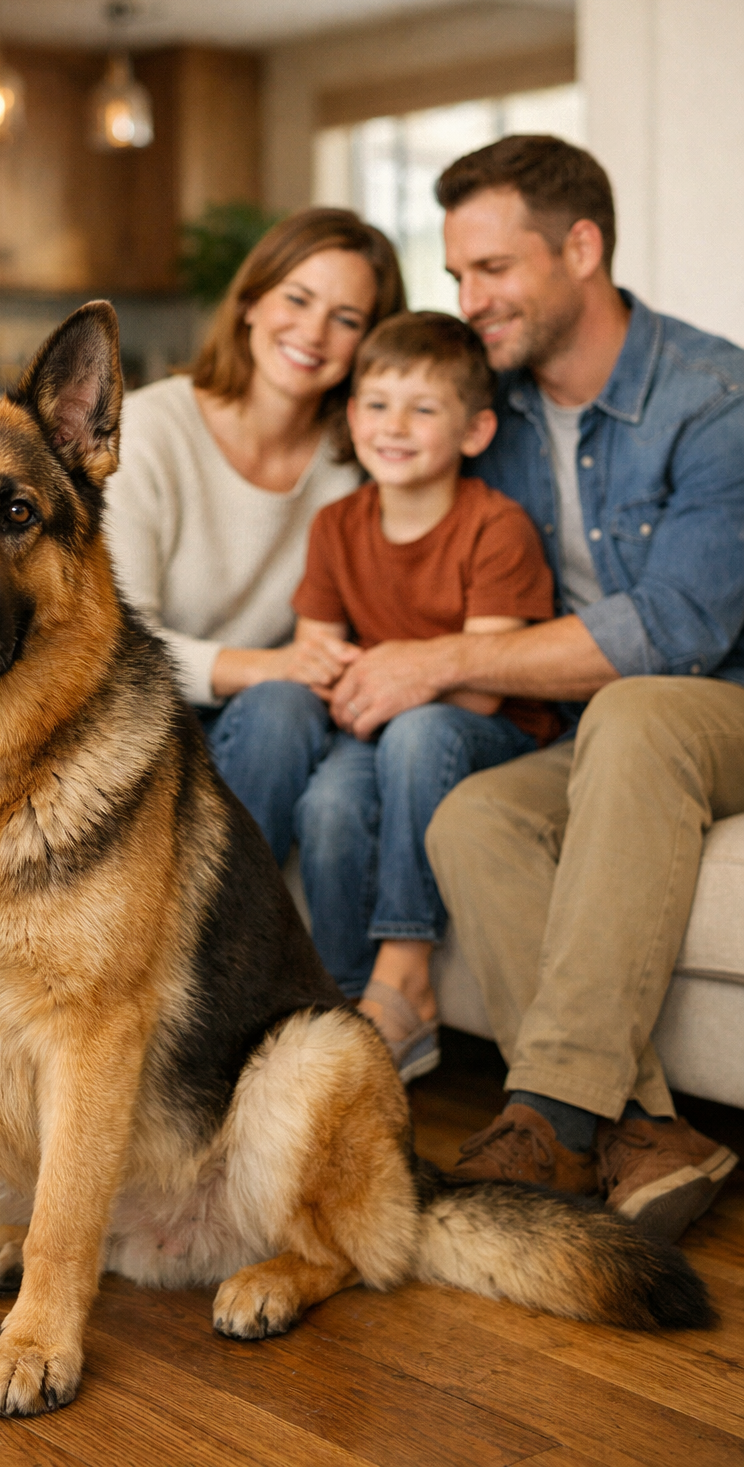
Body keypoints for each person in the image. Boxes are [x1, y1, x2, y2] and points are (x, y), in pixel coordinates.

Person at [327, 134, 744, 1242]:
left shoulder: (714, 398)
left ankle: (549, 1107)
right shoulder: (489, 412)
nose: (469, 301)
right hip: (590, 725)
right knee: (468, 820)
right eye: (458, 275)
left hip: (715, 699)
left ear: (581, 247)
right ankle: (646, 1132)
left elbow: (676, 631)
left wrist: (444, 659)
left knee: (639, 704)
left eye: (493, 271)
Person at [291, 312, 559, 1081]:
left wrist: (373, 695)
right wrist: (343, 686)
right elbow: (318, 652)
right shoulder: (338, 525)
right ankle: (350, 1011)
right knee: (328, 806)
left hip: (486, 728)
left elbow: (480, 687)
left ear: (474, 432)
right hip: (377, 725)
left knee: (420, 735)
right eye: (376, 405)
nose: (394, 426)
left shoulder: (496, 527)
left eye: (423, 408)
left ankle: (404, 972)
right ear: (351, 418)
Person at [106, 208, 404, 863]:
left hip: (280, 721)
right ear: (249, 302)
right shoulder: (151, 430)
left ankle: (234, 945)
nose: (314, 332)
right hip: (148, 717)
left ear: (368, 344)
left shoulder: (362, 461)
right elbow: (118, 644)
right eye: (297, 299)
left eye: (347, 319)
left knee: (284, 710)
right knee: (281, 700)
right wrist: (269, 667)